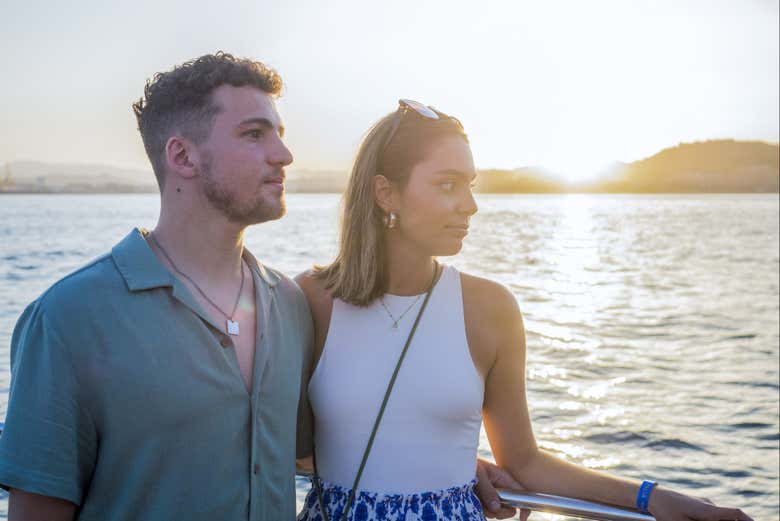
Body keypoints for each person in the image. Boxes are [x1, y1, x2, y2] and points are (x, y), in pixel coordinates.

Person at [294, 100, 754, 521]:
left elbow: (524, 462)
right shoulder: (310, 301)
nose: (470, 205)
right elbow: (287, 448)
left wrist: (652, 497)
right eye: (447, 185)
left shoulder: (489, 309)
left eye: (470, 185)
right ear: (385, 193)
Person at [0, 52, 314, 520]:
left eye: (280, 135)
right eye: (254, 134)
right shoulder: (70, 317)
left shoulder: (290, 304)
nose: (283, 155)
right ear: (182, 156)